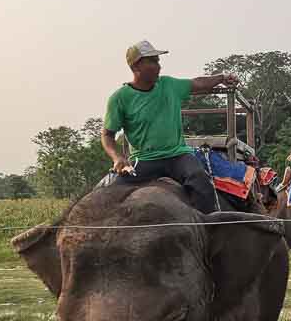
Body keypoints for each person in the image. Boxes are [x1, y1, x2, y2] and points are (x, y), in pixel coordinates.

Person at [101, 41, 238, 213]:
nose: (159, 66)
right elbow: (107, 135)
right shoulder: (120, 98)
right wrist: (117, 158)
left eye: (158, 61)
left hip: (177, 156)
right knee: (107, 193)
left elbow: (198, 83)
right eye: (152, 61)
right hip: (143, 159)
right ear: (136, 66)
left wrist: (222, 78)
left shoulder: (169, 85)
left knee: (200, 181)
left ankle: (209, 229)